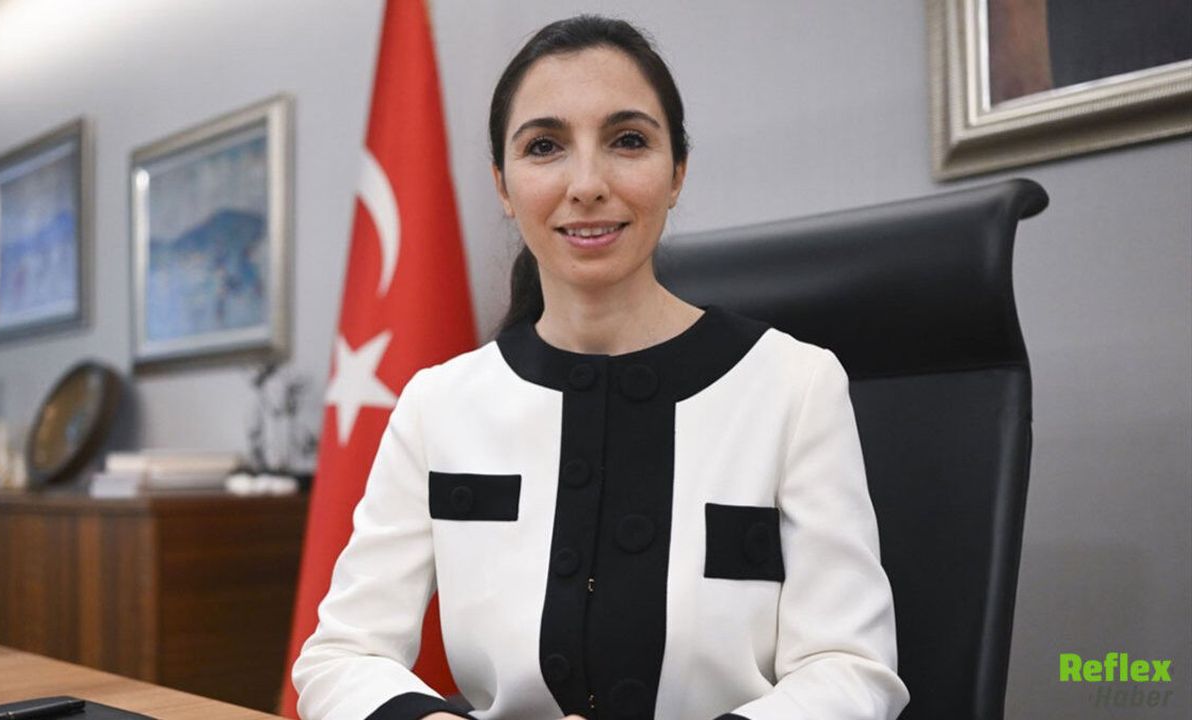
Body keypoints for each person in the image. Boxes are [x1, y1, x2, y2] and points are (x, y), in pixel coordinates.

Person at [293, 15, 910, 720]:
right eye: (545, 146)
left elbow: (850, 671)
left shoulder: (796, 386)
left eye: (628, 141)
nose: (586, 184)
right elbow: (340, 657)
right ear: (502, 186)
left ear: (677, 172)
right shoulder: (438, 405)